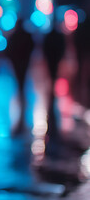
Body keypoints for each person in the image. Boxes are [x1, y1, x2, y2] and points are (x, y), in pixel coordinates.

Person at [5, 19, 35, 136]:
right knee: (21, 79)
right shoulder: (26, 35)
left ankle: (20, 92)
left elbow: (9, 50)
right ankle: (21, 93)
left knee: (19, 79)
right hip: (22, 62)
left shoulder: (15, 35)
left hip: (18, 63)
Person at [42, 26, 66, 155]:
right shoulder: (57, 37)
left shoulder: (50, 37)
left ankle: (52, 95)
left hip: (52, 60)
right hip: (54, 60)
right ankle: (52, 95)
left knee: (53, 77)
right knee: (53, 77)